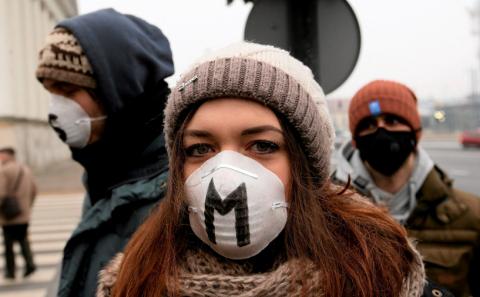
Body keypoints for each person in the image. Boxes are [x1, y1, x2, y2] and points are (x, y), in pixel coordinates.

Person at [94, 43, 431, 297]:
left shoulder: (379, 272)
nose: (225, 174)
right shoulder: (133, 281)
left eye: (262, 146)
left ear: (305, 166)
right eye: (200, 149)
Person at [35, 9, 173, 297]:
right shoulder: (107, 173)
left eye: (68, 90)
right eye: (51, 92)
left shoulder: (177, 192)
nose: (55, 110)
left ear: (119, 89)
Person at [332, 80, 480, 297]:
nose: (381, 131)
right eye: (369, 125)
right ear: (355, 141)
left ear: (415, 133)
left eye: (392, 121)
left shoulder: (471, 216)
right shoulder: (327, 211)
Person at [0, 147, 37, 279]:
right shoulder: (25, 169)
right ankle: (30, 264)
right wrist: (27, 206)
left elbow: (1, 193)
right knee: (23, 240)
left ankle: (11, 271)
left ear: (6, 156)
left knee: (8, 245)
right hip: (24, 213)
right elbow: (34, 190)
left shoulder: (4, 171)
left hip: (9, 215)